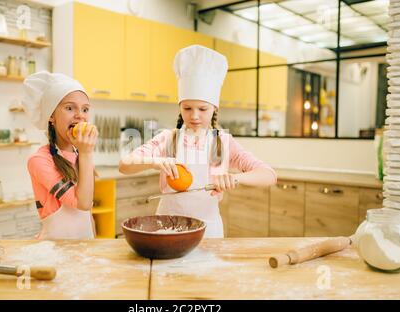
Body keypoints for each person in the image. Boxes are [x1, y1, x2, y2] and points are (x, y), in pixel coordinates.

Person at [119, 45, 277, 238]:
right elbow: (124, 165)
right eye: (187, 108)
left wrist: (235, 178)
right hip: (167, 229)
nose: (194, 116)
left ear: (214, 109)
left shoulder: (222, 143)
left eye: (202, 109)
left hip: (208, 232)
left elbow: (269, 175)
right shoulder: (168, 139)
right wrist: (155, 161)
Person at [24, 71, 98, 239]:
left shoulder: (82, 155)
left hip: (83, 250)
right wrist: (87, 153)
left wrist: (95, 246)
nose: (80, 115)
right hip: (55, 252)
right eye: (70, 108)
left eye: (85, 109)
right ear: (51, 116)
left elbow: (88, 215)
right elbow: (82, 204)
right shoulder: (39, 161)